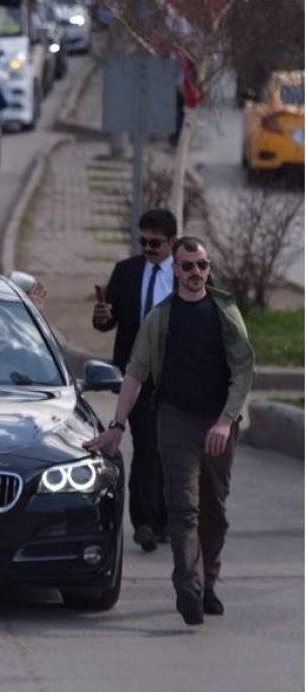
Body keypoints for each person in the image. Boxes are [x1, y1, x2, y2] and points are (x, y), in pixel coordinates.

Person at [86, 236, 254, 627]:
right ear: (175, 270)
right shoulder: (161, 317)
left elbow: (244, 368)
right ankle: (188, 588)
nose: (196, 273)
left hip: (218, 422)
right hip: (176, 420)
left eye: (202, 266)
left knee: (215, 509)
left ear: (208, 269)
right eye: (188, 266)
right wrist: (117, 424)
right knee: (183, 507)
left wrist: (226, 420)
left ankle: (208, 580)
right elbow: (136, 372)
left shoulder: (224, 311)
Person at [92, 207, 177, 553]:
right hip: (136, 376)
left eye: (155, 242)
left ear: (171, 241)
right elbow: (106, 322)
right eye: (142, 241)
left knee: (169, 449)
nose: (148, 248)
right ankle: (144, 522)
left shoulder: (188, 272)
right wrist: (101, 316)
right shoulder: (126, 272)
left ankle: (168, 519)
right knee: (144, 445)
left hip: (176, 377)